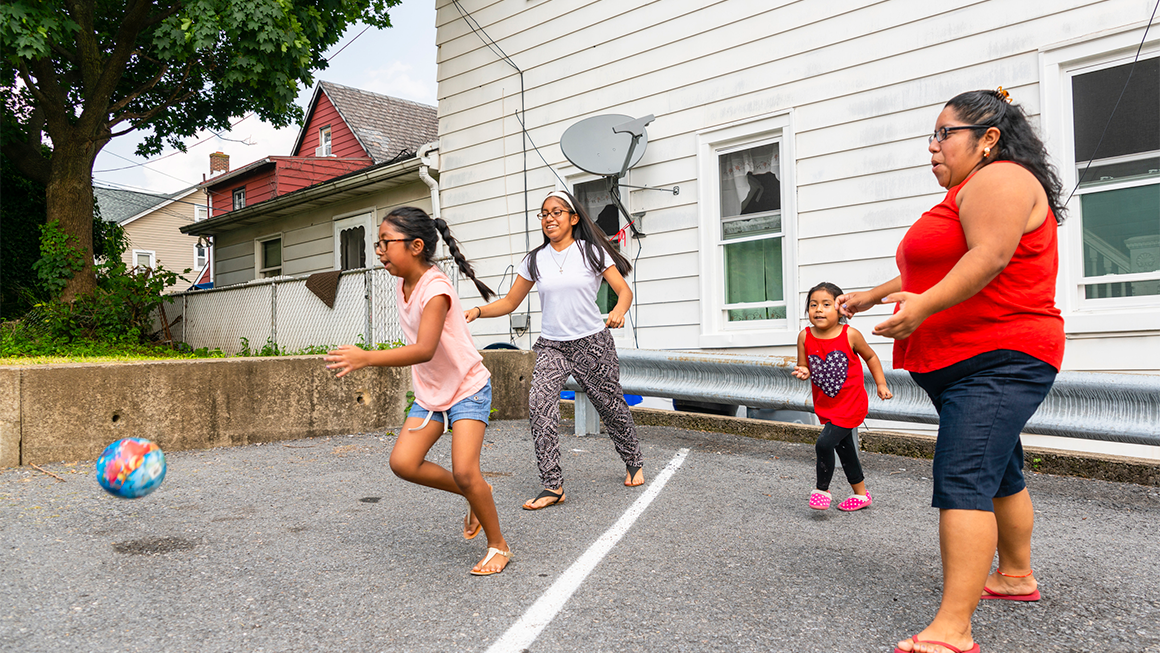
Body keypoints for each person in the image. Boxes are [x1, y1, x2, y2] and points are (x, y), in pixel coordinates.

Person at [838, 88, 1065, 653]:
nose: (932, 147)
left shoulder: (1002, 179)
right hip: (971, 357)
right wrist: (879, 294)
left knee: (964, 477)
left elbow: (986, 257)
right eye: (932, 136)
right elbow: (947, 261)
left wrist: (922, 306)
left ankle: (953, 630)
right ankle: (1014, 575)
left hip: (999, 354)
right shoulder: (973, 188)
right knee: (1000, 469)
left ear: (988, 139)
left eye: (945, 134)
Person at [324, 207, 512, 576]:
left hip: (467, 387)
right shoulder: (402, 281)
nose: (378, 250)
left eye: (385, 243)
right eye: (377, 243)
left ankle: (498, 545)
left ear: (416, 246)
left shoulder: (436, 290)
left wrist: (366, 358)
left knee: (465, 470)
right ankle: (474, 493)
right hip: (431, 392)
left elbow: (425, 348)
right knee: (404, 463)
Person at [465, 190, 644, 510]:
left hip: (591, 340)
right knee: (539, 404)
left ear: (574, 218)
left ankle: (633, 461)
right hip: (551, 346)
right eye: (544, 213)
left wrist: (620, 309)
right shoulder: (535, 260)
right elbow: (509, 302)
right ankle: (552, 484)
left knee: (611, 405)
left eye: (557, 212)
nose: (549, 218)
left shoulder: (591, 252)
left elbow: (623, 290)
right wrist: (478, 311)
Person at [792, 281, 892, 512]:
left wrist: (881, 383)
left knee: (824, 443)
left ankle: (822, 490)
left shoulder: (850, 335)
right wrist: (804, 371)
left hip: (851, 404)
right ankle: (860, 494)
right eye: (813, 305)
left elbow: (872, 357)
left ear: (840, 309)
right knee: (845, 448)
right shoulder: (804, 336)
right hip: (827, 404)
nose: (818, 309)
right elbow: (803, 365)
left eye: (826, 304)